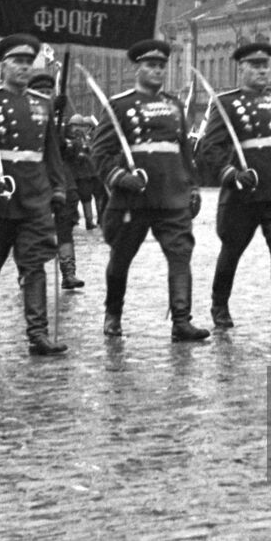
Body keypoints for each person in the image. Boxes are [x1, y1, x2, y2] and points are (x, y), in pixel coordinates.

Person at [90, 38, 208, 341]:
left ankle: (182, 320)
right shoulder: (120, 106)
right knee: (121, 257)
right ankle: (113, 315)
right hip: (134, 199)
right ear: (137, 69)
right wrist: (119, 176)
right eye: (150, 66)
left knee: (181, 255)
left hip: (171, 196)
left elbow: (184, 152)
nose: (156, 71)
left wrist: (192, 186)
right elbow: (100, 153)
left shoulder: (174, 106)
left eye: (160, 66)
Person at [0, 33, 67, 355]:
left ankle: (38, 334)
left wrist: (58, 188)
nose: (23, 67)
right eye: (16, 62)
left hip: (34, 199)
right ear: (2, 66)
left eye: (27, 62)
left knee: (34, 266)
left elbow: (51, 154)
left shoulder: (42, 103)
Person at [199, 41, 271, 333]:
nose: (262, 70)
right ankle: (219, 305)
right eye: (255, 65)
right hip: (244, 194)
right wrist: (231, 173)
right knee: (232, 249)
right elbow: (209, 148)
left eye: (265, 65)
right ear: (241, 68)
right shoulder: (226, 104)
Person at [30, 71, 85, 292]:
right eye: (40, 93)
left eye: (48, 93)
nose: (45, 96)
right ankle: (29, 272)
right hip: (35, 181)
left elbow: (73, 149)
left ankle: (68, 273)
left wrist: (63, 135)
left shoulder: (61, 118)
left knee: (65, 227)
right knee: (32, 230)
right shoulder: (26, 117)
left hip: (62, 181)